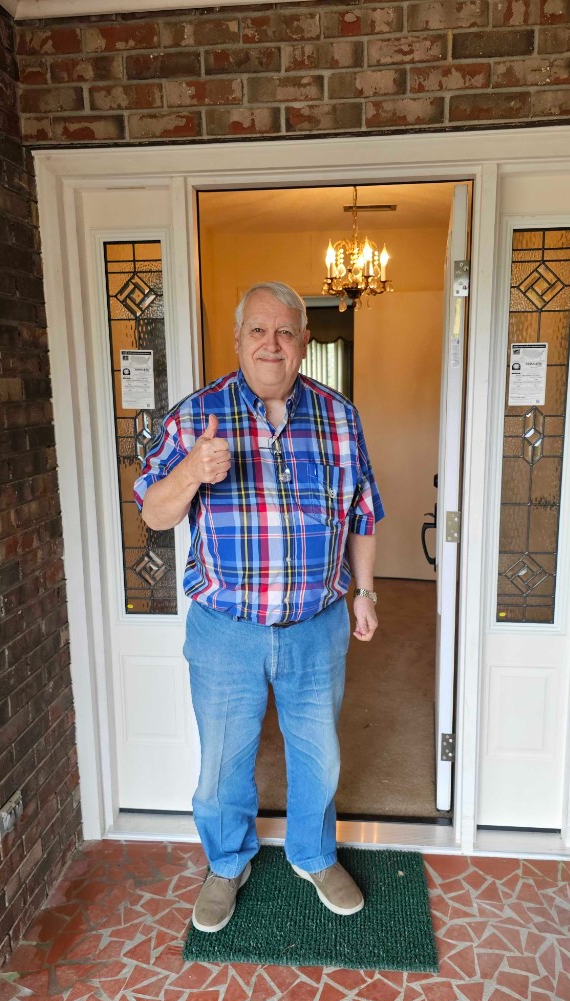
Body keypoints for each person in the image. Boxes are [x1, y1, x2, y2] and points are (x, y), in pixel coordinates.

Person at [134, 281, 384, 933]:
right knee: (222, 767)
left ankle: (313, 855)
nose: (271, 344)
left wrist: (364, 591)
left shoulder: (338, 416)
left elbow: (363, 512)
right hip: (226, 631)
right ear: (238, 339)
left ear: (303, 341)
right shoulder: (197, 416)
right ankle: (227, 864)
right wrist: (191, 471)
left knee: (319, 757)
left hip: (316, 626)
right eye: (258, 330)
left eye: (285, 332)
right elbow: (154, 512)